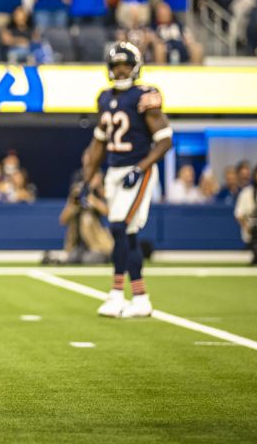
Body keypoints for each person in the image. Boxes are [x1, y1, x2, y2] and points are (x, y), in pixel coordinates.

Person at [80, 42, 172, 319]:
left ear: (135, 67)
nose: (120, 71)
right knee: (127, 233)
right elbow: (98, 144)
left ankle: (117, 294)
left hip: (138, 169)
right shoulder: (105, 98)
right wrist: (88, 178)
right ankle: (141, 298)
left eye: (125, 66)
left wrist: (140, 168)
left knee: (119, 227)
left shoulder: (145, 96)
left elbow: (165, 140)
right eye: (116, 66)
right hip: (114, 171)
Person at [57, 172, 113, 264]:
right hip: (78, 246)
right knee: (73, 257)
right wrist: (74, 202)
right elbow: (62, 220)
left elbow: (107, 212)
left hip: (96, 245)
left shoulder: (96, 198)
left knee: (89, 259)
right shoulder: (74, 203)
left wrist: (90, 197)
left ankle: (106, 256)